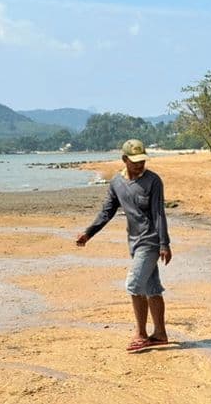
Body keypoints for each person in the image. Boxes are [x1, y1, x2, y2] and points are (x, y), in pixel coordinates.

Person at [76, 138, 173, 353]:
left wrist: (164, 243)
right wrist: (89, 233)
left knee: (133, 284)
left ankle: (140, 333)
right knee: (152, 288)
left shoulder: (153, 181)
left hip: (150, 241)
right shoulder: (117, 183)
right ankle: (160, 334)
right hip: (134, 241)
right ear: (124, 159)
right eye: (135, 161)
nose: (140, 165)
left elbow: (159, 213)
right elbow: (107, 211)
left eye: (142, 161)